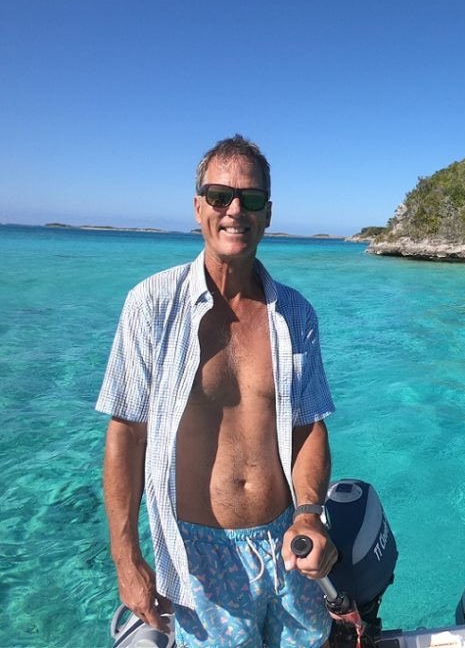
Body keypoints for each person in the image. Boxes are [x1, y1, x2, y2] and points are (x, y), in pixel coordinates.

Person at [97, 135, 338, 648]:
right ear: (197, 206)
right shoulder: (151, 305)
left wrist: (309, 514)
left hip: (286, 544)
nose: (235, 210)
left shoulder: (296, 315)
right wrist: (127, 559)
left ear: (268, 213)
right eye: (219, 195)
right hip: (200, 559)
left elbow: (308, 427)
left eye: (251, 199)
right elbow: (126, 436)